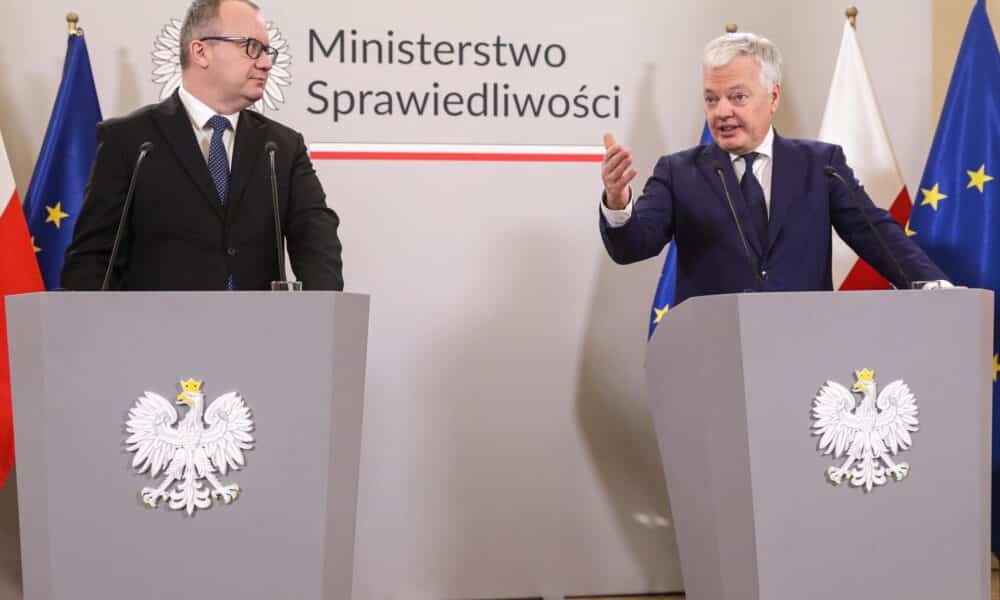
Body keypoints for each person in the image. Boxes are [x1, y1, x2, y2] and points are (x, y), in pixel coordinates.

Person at [599, 32, 947, 306]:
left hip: (801, 352)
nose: (721, 111)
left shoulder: (821, 166)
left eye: (737, 97)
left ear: (773, 97)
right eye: (711, 98)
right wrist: (617, 202)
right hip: (711, 355)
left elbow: (876, 235)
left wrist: (933, 285)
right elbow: (632, 248)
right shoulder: (678, 172)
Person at [62, 0, 343, 291]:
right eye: (251, 47)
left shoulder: (282, 147)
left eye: (267, 51)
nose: (265, 63)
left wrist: (320, 319)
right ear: (201, 51)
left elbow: (317, 243)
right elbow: (92, 260)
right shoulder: (131, 141)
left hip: (260, 332)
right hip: (156, 332)